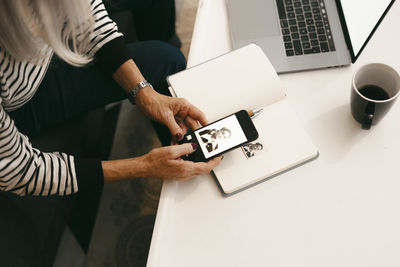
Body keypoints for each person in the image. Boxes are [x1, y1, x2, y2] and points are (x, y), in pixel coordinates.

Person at [0, 0, 221, 265]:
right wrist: (145, 165)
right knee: (165, 60)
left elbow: (87, 11)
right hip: (23, 99)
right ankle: (184, 167)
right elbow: (20, 170)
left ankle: (181, 142)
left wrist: (144, 92)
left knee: (163, 62)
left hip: (39, 47)